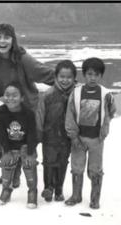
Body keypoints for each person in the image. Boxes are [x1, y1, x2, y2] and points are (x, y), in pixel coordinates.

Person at [0, 23, 54, 186]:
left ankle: (26, 177)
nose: (2, 41)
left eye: (6, 37)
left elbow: (44, 73)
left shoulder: (22, 58)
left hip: (26, 107)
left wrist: (71, 85)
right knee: (4, 139)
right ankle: (12, 171)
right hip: (4, 106)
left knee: (24, 142)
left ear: (13, 40)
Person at [64, 57, 116, 209]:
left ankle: (95, 198)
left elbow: (111, 112)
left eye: (96, 75)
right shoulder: (76, 93)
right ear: (84, 74)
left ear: (101, 76)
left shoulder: (106, 94)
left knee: (96, 169)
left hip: (96, 140)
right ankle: (76, 195)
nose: (93, 78)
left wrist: (104, 129)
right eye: (89, 74)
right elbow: (70, 115)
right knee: (76, 167)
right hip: (78, 139)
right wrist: (73, 136)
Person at [36, 60, 77, 202]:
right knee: (48, 162)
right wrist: (39, 133)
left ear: (74, 78)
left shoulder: (76, 95)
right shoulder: (48, 94)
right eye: (62, 77)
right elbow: (40, 114)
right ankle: (48, 188)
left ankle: (59, 189)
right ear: (56, 77)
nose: (65, 80)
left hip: (67, 137)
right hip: (49, 135)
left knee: (63, 162)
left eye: (69, 77)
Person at [0, 82, 38, 209]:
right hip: (10, 145)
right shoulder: (1, 111)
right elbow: (2, 133)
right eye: (7, 95)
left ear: (22, 98)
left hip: (26, 145)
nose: (10, 98)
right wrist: (6, 151)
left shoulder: (28, 113)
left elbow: (32, 134)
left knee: (30, 167)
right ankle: (6, 190)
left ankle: (32, 192)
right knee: (6, 166)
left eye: (14, 95)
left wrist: (30, 153)